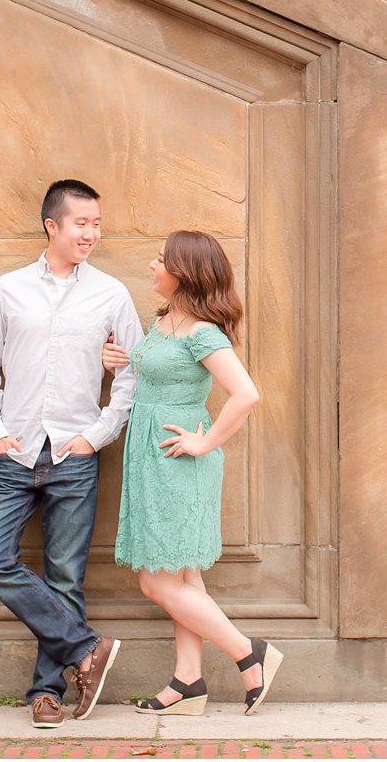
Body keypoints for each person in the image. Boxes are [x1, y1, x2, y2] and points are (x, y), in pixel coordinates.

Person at [0, 179, 145, 728]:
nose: (91, 233)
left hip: (74, 454)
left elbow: (132, 374)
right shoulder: (8, 288)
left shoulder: (111, 293)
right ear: (53, 225)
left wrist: (96, 435)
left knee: (65, 576)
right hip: (15, 452)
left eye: (96, 223)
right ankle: (87, 648)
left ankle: (46, 694)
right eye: (81, 223)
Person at [101, 230, 282, 716]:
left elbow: (245, 394)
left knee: (157, 583)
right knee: (184, 578)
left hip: (178, 461)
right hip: (155, 457)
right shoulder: (167, 321)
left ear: (184, 272)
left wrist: (203, 441)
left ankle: (249, 652)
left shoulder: (203, 331)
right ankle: (187, 682)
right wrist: (122, 362)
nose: (151, 264)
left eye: (160, 259)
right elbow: (157, 373)